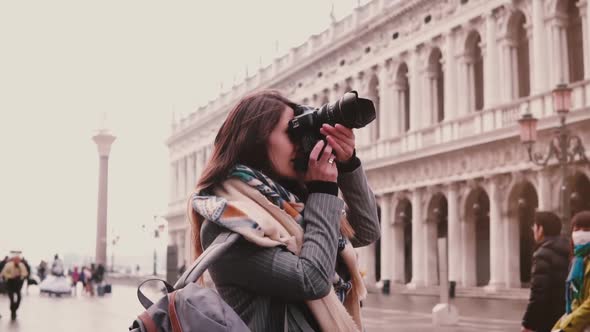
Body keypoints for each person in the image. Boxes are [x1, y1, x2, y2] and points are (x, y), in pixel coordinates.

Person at [188, 90, 380, 331]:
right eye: (291, 132)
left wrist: (348, 165)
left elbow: (366, 230)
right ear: (254, 140)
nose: (300, 143)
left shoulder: (291, 207)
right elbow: (310, 280)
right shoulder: (226, 220)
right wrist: (323, 190)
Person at [521, 211, 569, 332]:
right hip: (567, 318)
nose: (533, 229)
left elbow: (538, 293)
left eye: (534, 226)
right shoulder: (569, 250)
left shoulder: (543, 254)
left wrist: (528, 323)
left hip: (547, 321)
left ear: (540, 229)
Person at [554, 211, 590, 332]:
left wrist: (565, 328)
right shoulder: (577, 261)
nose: (580, 234)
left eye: (586, 230)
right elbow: (574, 304)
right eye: (576, 229)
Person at [1, 256, 29, 320]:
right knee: (11, 298)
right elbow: (4, 273)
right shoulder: (8, 265)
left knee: (19, 297)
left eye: (18, 260)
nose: (17, 261)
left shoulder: (21, 265)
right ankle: (12, 311)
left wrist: (21, 276)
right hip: (10, 282)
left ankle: (14, 309)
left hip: (17, 283)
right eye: (16, 260)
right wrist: (11, 276)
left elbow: (25, 273)